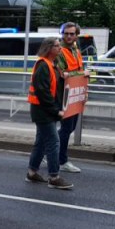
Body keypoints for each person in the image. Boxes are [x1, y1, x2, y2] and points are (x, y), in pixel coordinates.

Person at [26, 37, 73, 189]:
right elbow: (43, 93)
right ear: (49, 48)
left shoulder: (52, 65)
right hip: (43, 111)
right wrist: (56, 111)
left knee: (41, 142)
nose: (60, 48)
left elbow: (55, 87)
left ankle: (32, 173)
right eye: (57, 46)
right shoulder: (43, 66)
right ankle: (54, 176)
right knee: (53, 142)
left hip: (44, 110)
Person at [55, 22, 85, 174]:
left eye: (72, 34)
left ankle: (51, 152)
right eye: (66, 33)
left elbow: (78, 69)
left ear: (76, 35)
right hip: (64, 94)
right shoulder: (60, 51)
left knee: (71, 127)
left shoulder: (75, 50)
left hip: (75, 93)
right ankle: (61, 160)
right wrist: (83, 75)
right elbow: (63, 74)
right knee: (66, 128)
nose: (68, 36)